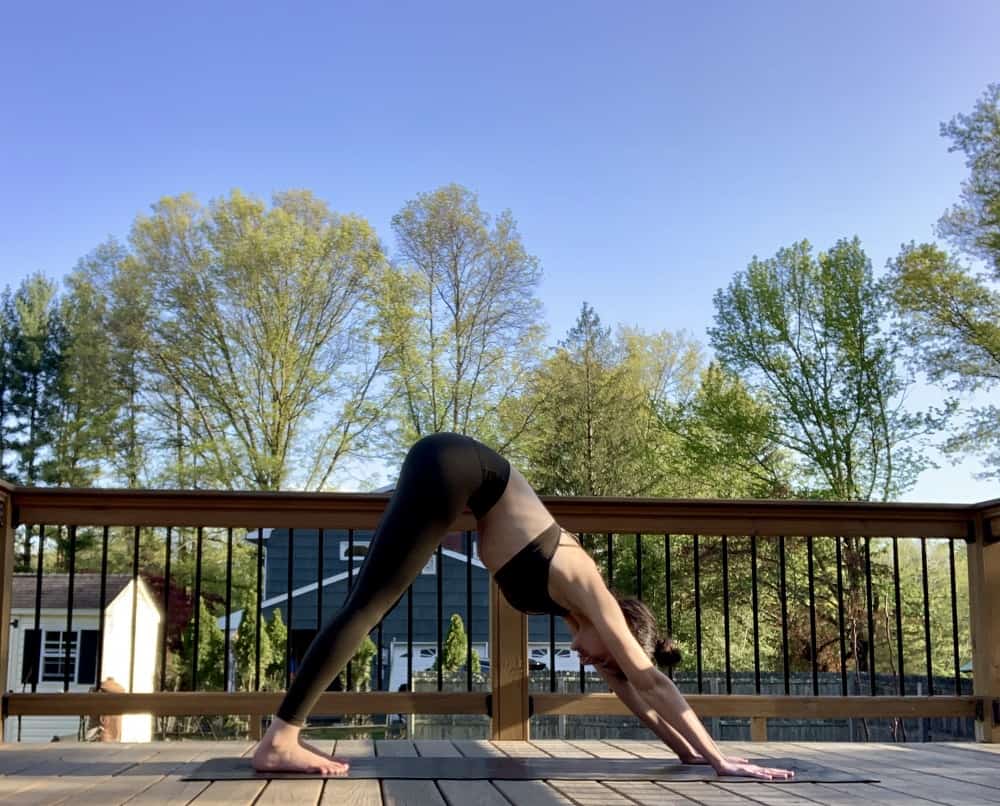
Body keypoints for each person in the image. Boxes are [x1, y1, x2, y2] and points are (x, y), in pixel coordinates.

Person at [252, 432, 793, 781]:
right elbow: (650, 680)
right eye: (608, 657)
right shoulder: (591, 590)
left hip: (456, 471)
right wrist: (722, 759)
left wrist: (687, 752)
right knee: (368, 606)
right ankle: (280, 739)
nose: (596, 667)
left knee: (367, 604)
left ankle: (281, 736)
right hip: (458, 464)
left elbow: (634, 693)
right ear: (622, 627)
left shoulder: (570, 608)